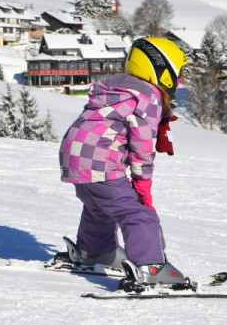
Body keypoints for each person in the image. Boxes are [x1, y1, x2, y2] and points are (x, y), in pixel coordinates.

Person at [59, 37, 189, 287]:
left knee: (100, 206)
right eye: (178, 72)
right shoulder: (147, 96)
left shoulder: (116, 88)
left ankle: (96, 252)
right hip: (99, 161)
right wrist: (142, 181)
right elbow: (142, 142)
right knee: (138, 214)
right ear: (163, 70)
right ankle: (151, 266)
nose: (179, 79)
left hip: (74, 155)